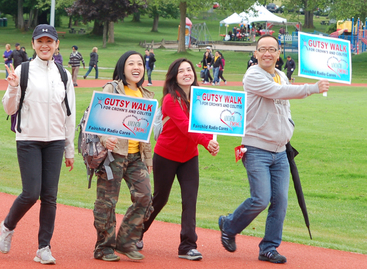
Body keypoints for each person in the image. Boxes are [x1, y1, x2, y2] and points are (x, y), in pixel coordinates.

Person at [218, 34, 329, 264]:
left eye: (272, 49)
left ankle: (268, 248)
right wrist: (312, 88)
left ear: (279, 53)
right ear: (256, 53)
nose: (267, 53)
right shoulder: (253, 75)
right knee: (261, 198)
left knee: (280, 201)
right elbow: (278, 93)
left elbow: (283, 104)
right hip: (256, 147)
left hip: (280, 151)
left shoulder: (280, 75)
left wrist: (289, 126)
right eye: (262, 49)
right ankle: (229, 225)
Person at [0, 24, 76, 265]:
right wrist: (12, 88)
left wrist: (69, 148)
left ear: (56, 45)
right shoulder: (22, 71)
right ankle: (8, 226)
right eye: (40, 41)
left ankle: (44, 247)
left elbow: (69, 114)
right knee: (31, 193)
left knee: (50, 196)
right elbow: (9, 109)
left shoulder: (63, 75)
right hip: (28, 140)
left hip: (54, 142)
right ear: (33, 44)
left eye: (49, 41)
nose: (45, 45)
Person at [137, 58, 219, 261]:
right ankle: (136, 232)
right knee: (160, 198)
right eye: (181, 71)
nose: (186, 73)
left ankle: (187, 245)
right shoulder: (170, 99)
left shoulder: (201, 99)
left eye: (189, 69)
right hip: (166, 155)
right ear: (174, 76)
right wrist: (205, 142)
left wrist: (210, 141)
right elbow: (186, 126)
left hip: (190, 157)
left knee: (190, 200)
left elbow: (205, 125)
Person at [93, 50, 153, 262]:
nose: (136, 67)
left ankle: (126, 241)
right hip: (114, 155)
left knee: (145, 197)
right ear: (122, 67)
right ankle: (104, 246)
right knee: (107, 202)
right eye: (131, 64)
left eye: (139, 63)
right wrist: (103, 139)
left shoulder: (147, 95)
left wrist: (148, 160)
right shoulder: (112, 88)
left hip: (136, 156)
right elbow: (97, 118)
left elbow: (147, 132)